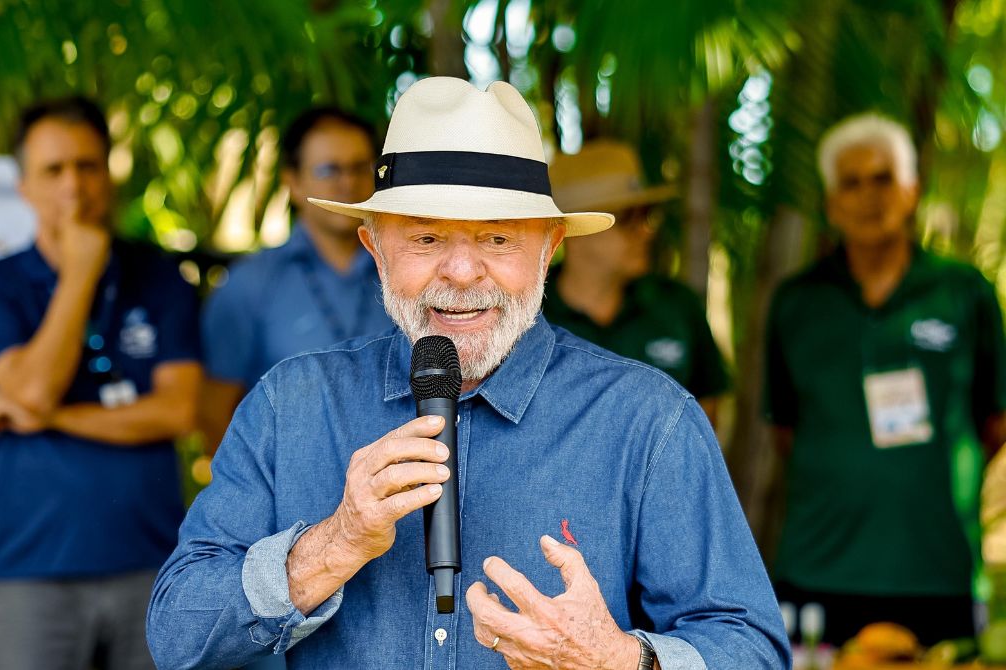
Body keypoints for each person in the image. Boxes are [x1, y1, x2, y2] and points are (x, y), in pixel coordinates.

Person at [147, 77, 790, 670]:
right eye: (426, 239)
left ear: (549, 248)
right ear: (375, 248)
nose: (460, 273)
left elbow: (754, 649)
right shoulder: (292, 404)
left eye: (497, 239)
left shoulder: (649, 420)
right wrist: (333, 544)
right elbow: (176, 635)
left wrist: (623, 661)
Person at [0, 96, 203, 670]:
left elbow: (176, 412)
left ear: (109, 172)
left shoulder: (160, 276)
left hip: (152, 566)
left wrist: (50, 418)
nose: (73, 184)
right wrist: (80, 271)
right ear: (23, 185)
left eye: (88, 165)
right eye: (53, 169)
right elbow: (34, 387)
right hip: (32, 572)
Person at [765, 112, 1006, 646]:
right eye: (851, 183)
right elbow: (786, 429)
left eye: (883, 179)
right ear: (830, 204)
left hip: (936, 573)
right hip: (818, 569)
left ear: (913, 190)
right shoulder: (796, 303)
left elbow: (995, 421)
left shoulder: (964, 292)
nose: (869, 197)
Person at [199, 107, 394, 446]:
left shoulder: (408, 272)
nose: (347, 182)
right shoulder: (250, 284)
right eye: (328, 169)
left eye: (360, 167)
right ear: (292, 181)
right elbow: (213, 413)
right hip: (290, 494)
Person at [545, 141, 729, 427]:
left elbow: (705, 422)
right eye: (629, 217)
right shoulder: (527, 317)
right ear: (575, 230)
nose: (647, 230)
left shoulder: (678, 307)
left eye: (647, 214)